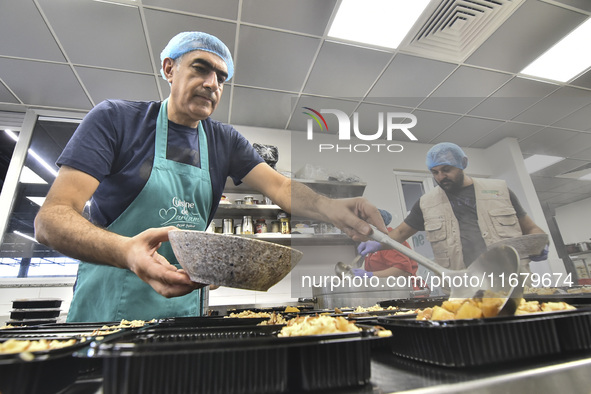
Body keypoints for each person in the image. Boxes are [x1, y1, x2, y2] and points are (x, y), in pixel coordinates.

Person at [34, 31, 387, 322]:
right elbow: (51, 219)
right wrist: (127, 251)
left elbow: (279, 186)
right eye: (201, 68)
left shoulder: (224, 141)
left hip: (183, 314)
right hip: (108, 310)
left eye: (221, 77)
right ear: (169, 69)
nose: (212, 83)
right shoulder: (116, 120)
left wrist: (333, 208)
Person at [357, 142, 548, 271]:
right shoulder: (426, 203)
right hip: (462, 286)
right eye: (435, 172)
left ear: (462, 164)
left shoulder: (498, 190)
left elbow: (530, 227)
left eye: (446, 170)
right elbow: (399, 233)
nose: (440, 177)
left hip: (509, 280)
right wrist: (377, 243)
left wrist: (539, 243)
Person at [351, 209, 418, 279]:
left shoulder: (387, 238)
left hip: (407, 288)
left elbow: (403, 271)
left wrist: (369, 275)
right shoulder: (373, 243)